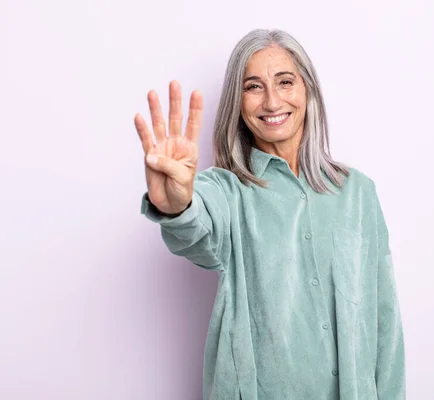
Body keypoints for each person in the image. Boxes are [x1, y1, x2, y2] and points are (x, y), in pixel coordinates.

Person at [135, 28, 405, 400]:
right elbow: (195, 229)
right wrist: (175, 204)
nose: (272, 101)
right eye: (254, 87)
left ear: (307, 90)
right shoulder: (226, 192)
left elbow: (384, 322)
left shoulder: (358, 192)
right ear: (238, 102)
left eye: (285, 81)